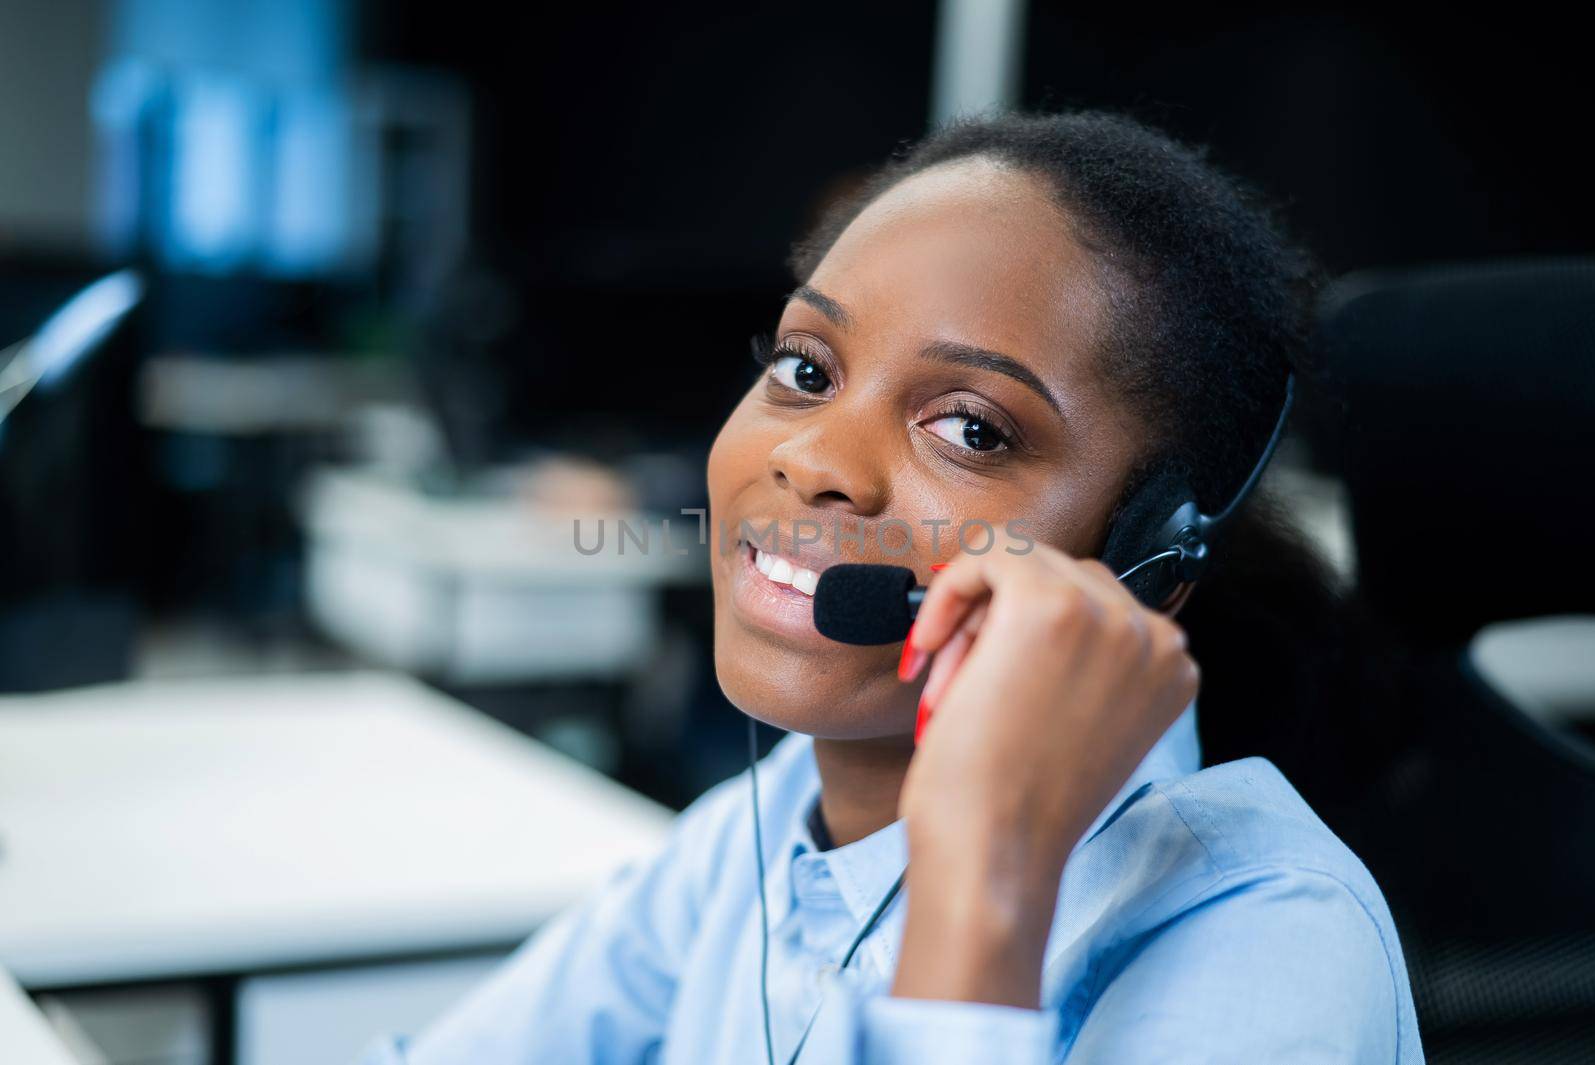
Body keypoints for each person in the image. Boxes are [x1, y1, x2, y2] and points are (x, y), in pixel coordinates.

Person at [359, 108, 1425, 1064]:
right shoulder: (766, 827)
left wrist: (983, 890)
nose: (818, 458)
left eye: (971, 429)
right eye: (806, 370)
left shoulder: (1271, 941)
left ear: (1146, 564)